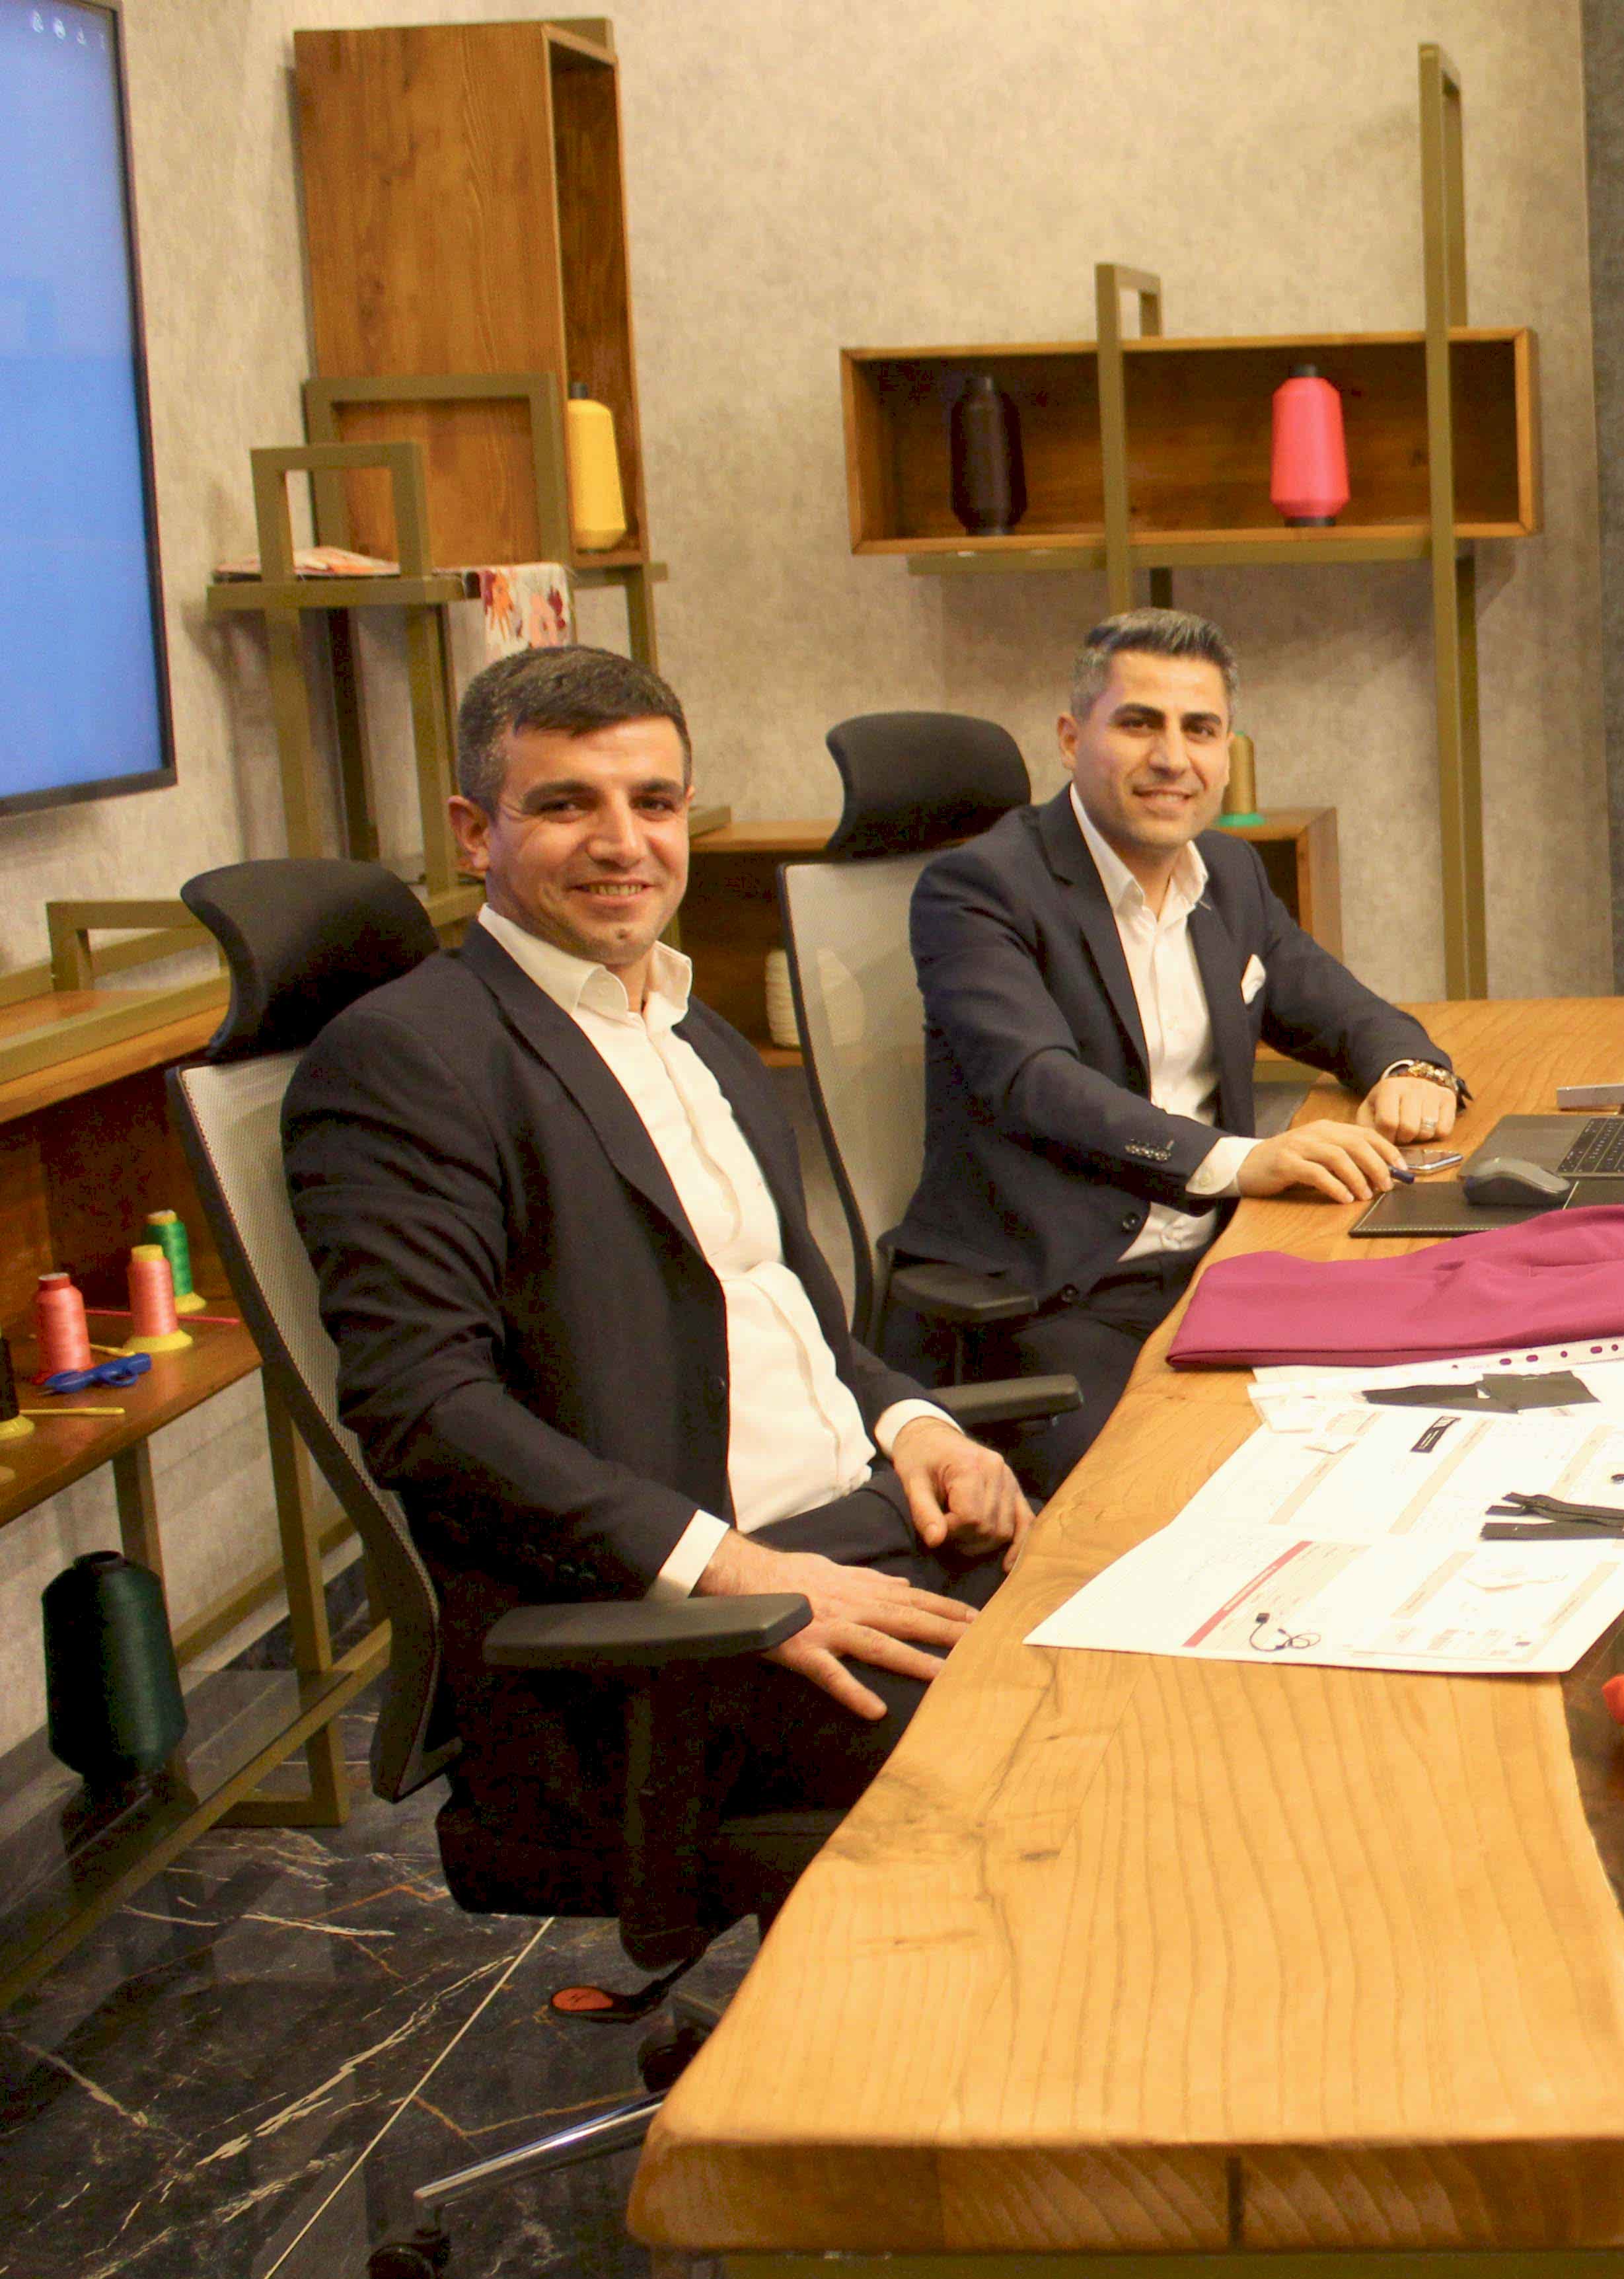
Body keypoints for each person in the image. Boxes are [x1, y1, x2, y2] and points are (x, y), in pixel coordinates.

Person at [286, 644, 1033, 1853]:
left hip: (866, 1535)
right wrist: (736, 1574)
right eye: (566, 804)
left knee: (1190, 1666)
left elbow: (792, 1318)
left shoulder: (695, 1032)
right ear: (475, 834)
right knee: (1069, 1765)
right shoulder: (406, 1058)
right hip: (672, 1630)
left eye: (653, 802)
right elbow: (422, 1407)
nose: (621, 842)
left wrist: (920, 1429)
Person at [892, 607, 1462, 1485]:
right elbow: (1033, 1081)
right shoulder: (979, 889)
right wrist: (1238, 1161)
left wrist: (1409, 1067)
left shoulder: (1226, 874)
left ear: (1226, 750)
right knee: (1187, 1492)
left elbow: (1334, 1004)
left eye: (1200, 729)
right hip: (1055, 1297)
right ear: (1071, 737)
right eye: (1139, 724)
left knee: (1412, 1419)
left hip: (1217, 1264)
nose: (1172, 758)